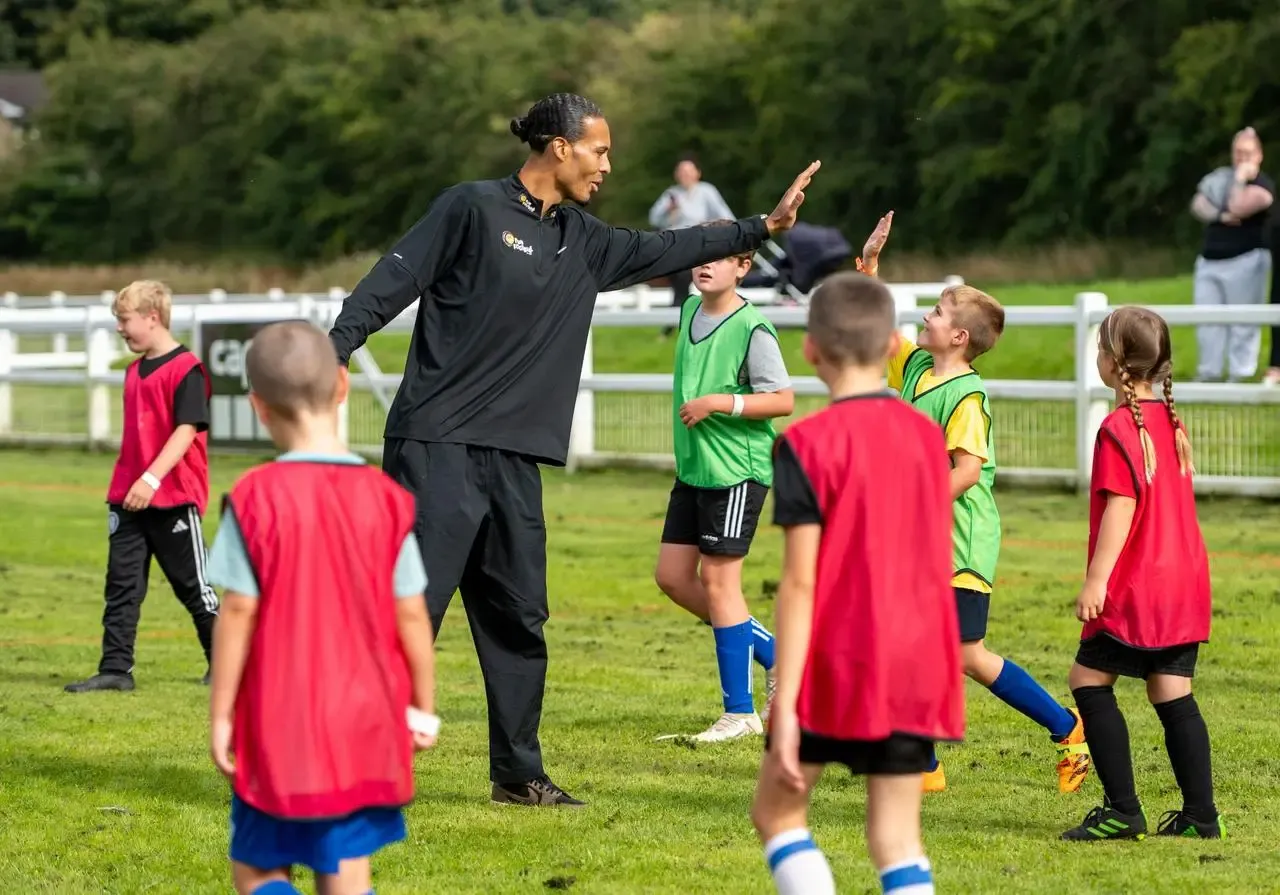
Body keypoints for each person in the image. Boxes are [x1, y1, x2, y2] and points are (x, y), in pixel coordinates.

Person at [327, 91, 821, 807]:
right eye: (600, 150)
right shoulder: (469, 208)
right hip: (435, 444)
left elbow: (670, 246)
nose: (608, 166)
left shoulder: (584, 239)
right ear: (558, 147)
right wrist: (336, 350)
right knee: (410, 608)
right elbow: (391, 280)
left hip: (516, 458)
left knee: (519, 615)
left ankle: (518, 775)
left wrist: (762, 226)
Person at [749, 256, 964, 895]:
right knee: (896, 840)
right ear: (895, 346)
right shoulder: (928, 440)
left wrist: (784, 701)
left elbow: (800, 583)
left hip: (840, 660)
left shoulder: (805, 445)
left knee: (777, 811)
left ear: (810, 350)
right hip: (919, 659)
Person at [206, 320, 439, 895]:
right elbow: (412, 613)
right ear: (343, 385)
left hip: (277, 716)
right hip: (367, 716)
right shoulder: (388, 501)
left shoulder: (254, 498)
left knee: (259, 868)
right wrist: (423, 707)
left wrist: (220, 714)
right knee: (345, 869)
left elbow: (236, 612)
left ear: (258, 407)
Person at [884, 266, 1091, 794]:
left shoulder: (967, 398)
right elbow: (879, 333)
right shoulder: (916, 369)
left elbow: (967, 472)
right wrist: (868, 269)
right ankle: (924, 765)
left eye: (935, 312)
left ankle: (1066, 727)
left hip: (960, 544)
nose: (924, 317)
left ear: (959, 337)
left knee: (967, 655)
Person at [1061, 306, 1222, 842]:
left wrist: (1096, 580)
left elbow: (1121, 508)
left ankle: (1123, 811)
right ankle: (1201, 816)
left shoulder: (1116, 428)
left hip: (1138, 586)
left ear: (1113, 363)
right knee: (1172, 689)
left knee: (1087, 679)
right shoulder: (1171, 424)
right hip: (1185, 583)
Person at [653, 221, 795, 744]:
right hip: (694, 470)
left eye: (721, 256)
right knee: (672, 578)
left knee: (719, 584)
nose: (705, 262)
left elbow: (782, 399)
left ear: (743, 267)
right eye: (702, 253)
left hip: (737, 472)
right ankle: (778, 656)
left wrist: (720, 402)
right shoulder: (690, 309)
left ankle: (740, 713)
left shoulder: (754, 328)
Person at [64, 279, 218, 694]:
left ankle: (226, 664)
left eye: (124, 319)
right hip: (127, 499)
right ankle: (116, 669)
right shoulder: (133, 371)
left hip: (173, 497)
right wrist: (133, 483)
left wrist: (152, 479)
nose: (119, 328)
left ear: (152, 318)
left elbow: (186, 431)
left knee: (195, 589)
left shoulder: (187, 369)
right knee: (122, 586)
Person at [1189, 126, 1275, 382]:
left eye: (1247, 153)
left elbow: (1239, 204)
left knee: (1243, 323)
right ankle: (1209, 372)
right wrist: (1221, 215)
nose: (1242, 158)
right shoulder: (1219, 177)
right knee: (1207, 322)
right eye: (1238, 152)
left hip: (1245, 260)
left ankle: (1240, 374)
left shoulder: (1263, 185)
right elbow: (1198, 204)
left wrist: (1239, 179)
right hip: (1209, 260)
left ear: (1259, 155)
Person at [648, 154, 737, 333]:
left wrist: (709, 228)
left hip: (700, 245)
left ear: (698, 173)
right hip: (676, 246)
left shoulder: (706, 191)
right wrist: (668, 209)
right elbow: (654, 218)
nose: (685, 175)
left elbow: (727, 216)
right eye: (681, 172)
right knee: (680, 286)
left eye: (689, 171)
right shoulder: (671, 194)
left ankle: (682, 326)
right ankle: (680, 325)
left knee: (695, 287)